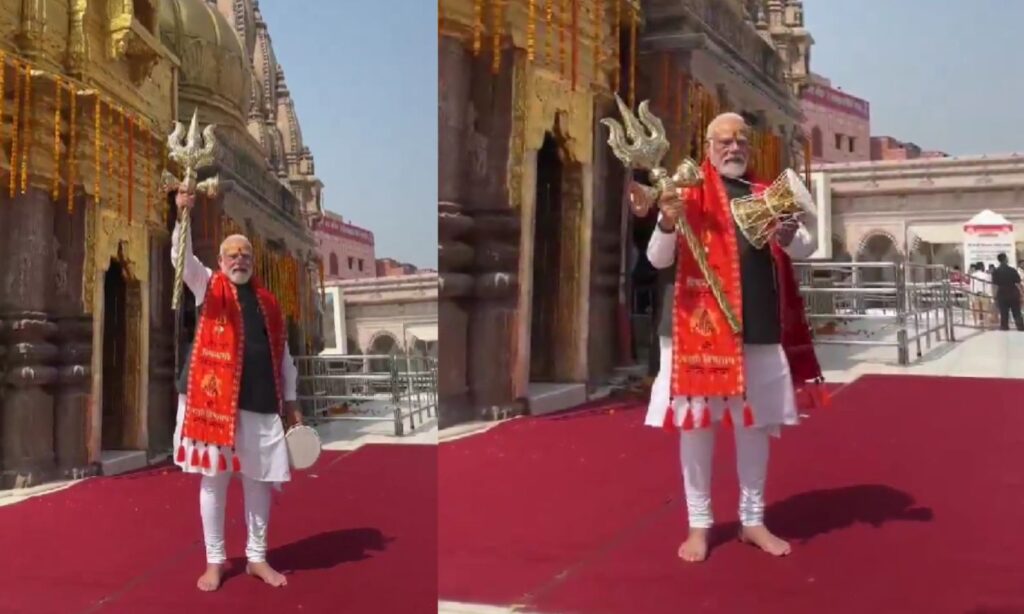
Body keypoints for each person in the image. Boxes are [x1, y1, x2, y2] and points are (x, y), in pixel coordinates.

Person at [633, 112, 826, 563]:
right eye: (724, 140)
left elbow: (805, 248)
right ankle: (699, 524)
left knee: (753, 425)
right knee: (696, 426)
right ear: (708, 146)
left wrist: (789, 234)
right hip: (693, 329)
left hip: (754, 325)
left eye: (741, 140)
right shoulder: (685, 191)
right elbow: (657, 259)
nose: (734, 147)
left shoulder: (765, 194)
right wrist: (666, 222)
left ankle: (752, 520)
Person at [171, 189, 304, 591]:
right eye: (232, 255)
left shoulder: (268, 303)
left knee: (258, 481)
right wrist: (183, 215)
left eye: (245, 254)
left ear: (253, 261)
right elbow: (182, 259)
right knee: (214, 481)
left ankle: (256, 557)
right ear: (220, 261)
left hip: (260, 403)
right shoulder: (207, 286)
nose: (239, 260)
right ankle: (215, 560)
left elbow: (283, 356)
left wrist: (292, 403)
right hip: (213, 405)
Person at [990, 253, 1024, 331]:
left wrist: (994, 295)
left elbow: (995, 285)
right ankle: (1020, 326)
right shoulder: (1012, 270)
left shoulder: (996, 271)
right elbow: (1018, 283)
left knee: (1004, 312)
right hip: (1013, 292)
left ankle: (1004, 326)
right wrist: (1022, 293)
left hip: (1002, 293)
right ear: (1006, 259)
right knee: (1017, 311)